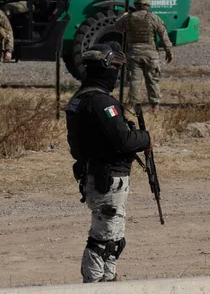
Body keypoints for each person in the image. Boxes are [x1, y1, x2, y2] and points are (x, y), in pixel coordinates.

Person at [65, 42, 152, 283]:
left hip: (97, 175)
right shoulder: (102, 103)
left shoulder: (80, 99)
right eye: (114, 67)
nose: (116, 74)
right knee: (103, 240)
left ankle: (108, 282)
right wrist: (145, 138)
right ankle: (93, 284)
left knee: (114, 239)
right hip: (107, 178)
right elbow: (122, 140)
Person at [115, 0, 173, 109]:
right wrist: (168, 51)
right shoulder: (154, 18)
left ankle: (134, 106)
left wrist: (124, 16)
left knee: (134, 81)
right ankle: (154, 106)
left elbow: (117, 26)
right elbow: (163, 35)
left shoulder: (128, 18)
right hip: (150, 55)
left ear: (136, 4)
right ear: (147, 5)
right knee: (152, 80)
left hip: (133, 54)